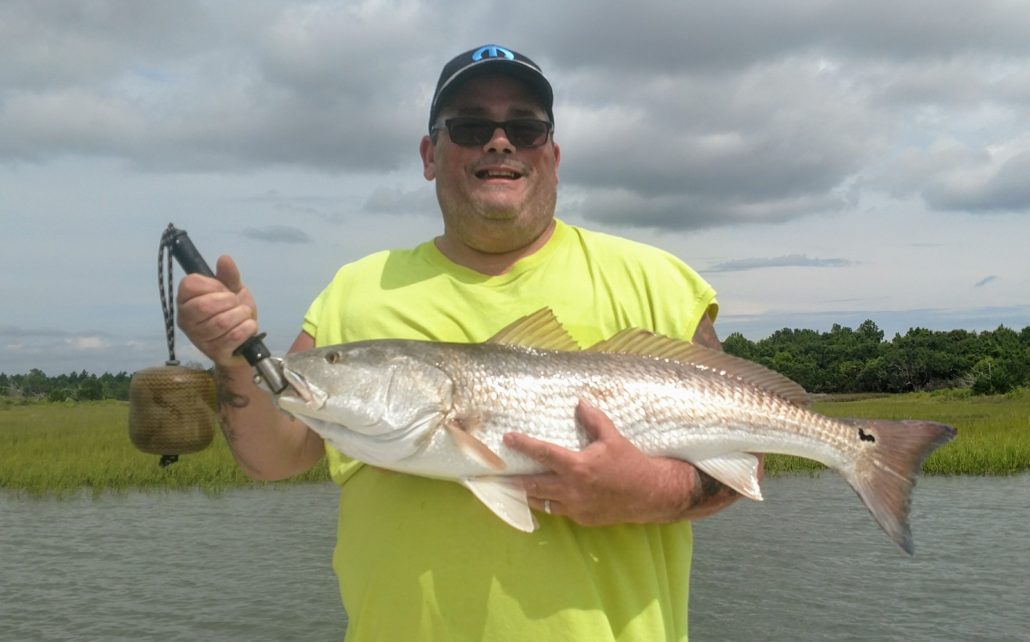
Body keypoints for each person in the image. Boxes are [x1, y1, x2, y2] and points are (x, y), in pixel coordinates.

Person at [177, 43, 755, 642]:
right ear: (430, 154)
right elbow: (273, 456)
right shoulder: (355, 289)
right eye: (471, 126)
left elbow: (750, 451)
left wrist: (647, 491)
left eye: (525, 129)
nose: (499, 142)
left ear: (553, 156)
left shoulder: (654, 280)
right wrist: (233, 359)